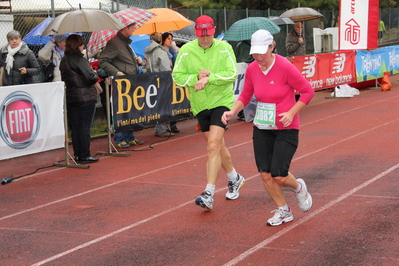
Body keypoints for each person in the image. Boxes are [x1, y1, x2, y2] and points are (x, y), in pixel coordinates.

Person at [222, 30, 314, 226]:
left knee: (279, 175)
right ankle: (284, 211)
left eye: (262, 52)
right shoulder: (253, 69)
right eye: (255, 53)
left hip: (286, 127)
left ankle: (298, 187)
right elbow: (246, 95)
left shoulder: (284, 66)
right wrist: (232, 111)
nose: (258, 57)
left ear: (272, 47)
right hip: (262, 126)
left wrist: (291, 113)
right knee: (265, 173)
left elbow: (307, 91)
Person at [172, 15, 245, 210]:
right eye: (201, 35)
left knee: (212, 146)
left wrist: (209, 78)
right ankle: (234, 177)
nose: (205, 39)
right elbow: (177, 76)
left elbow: (231, 73)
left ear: (214, 31)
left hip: (221, 102)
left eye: (208, 35)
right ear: (196, 33)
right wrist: (195, 77)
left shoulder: (224, 48)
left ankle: (208, 193)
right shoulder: (186, 50)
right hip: (200, 105)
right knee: (218, 146)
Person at [99, 23, 144, 149]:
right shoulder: (114, 43)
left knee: (129, 110)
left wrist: (138, 63)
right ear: (125, 28)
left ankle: (129, 137)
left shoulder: (125, 42)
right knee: (121, 110)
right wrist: (117, 72)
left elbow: (124, 61)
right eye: (132, 27)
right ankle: (120, 138)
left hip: (130, 81)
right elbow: (103, 61)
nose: (134, 29)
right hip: (121, 83)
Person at [59, 34, 99, 164]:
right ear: (78, 45)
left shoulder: (63, 60)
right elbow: (90, 78)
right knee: (84, 127)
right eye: (82, 44)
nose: (84, 46)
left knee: (76, 127)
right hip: (86, 95)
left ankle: (78, 154)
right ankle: (85, 154)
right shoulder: (80, 60)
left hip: (71, 96)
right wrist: (94, 73)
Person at [145, 32, 175, 137]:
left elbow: (146, 68)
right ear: (161, 40)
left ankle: (158, 127)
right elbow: (166, 68)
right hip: (162, 80)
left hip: (151, 80)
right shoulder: (161, 52)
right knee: (162, 105)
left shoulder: (148, 52)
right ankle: (161, 129)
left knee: (156, 105)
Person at [161, 32, 180, 133]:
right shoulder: (161, 51)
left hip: (173, 77)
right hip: (165, 79)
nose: (170, 40)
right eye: (168, 39)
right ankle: (166, 124)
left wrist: (174, 46)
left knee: (174, 102)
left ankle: (173, 124)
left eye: (171, 39)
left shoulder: (172, 50)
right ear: (163, 40)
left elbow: (179, 58)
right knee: (166, 102)